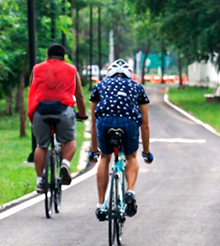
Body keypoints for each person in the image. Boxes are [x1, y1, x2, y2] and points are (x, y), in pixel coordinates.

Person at [88, 59, 153, 221]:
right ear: (129, 75)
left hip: (105, 122)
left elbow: (93, 123)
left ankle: (101, 205)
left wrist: (94, 151)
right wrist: (146, 152)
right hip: (128, 123)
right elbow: (145, 124)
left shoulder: (100, 86)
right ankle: (130, 191)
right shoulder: (137, 87)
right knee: (131, 157)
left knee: (105, 157)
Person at [27, 44, 88, 193]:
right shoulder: (72, 70)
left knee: (41, 146)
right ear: (64, 57)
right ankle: (65, 164)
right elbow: (79, 96)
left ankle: (40, 181)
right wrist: (82, 114)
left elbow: (32, 89)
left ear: (47, 57)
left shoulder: (37, 69)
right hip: (63, 111)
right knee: (70, 140)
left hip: (41, 111)